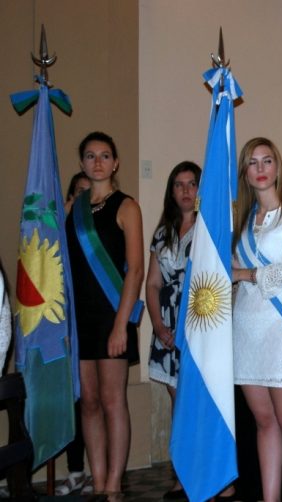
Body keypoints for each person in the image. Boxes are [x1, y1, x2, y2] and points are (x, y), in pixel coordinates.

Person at [231, 137, 282, 502]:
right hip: (246, 328)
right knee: (263, 421)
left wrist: (243, 274)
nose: (261, 169)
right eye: (253, 163)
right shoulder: (242, 218)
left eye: (267, 161)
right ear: (245, 173)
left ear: (278, 167)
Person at [65, 131, 144, 500]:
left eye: (105, 155)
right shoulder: (72, 210)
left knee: (113, 402)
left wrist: (121, 325)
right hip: (80, 319)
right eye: (90, 156)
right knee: (90, 402)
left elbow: (136, 271)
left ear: (116, 163)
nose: (97, 162)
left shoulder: (127, 207)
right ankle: (97, 483)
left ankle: (113, 485)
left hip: (113, 317)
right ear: (82, 163)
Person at [144, 161, 201, 500]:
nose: (185, 190)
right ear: (171, 191)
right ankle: (182, 475)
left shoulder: (209, 228)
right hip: (165, 323)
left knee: (193, 405)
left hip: (197, 324)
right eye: (179, 185)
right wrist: (158, 324)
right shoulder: (162, 232)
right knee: (177, 405)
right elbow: (152, 283)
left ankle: (197, 475)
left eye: (192, 184)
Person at [55, 171, 93, 497]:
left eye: (88, 192)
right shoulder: (63, 224)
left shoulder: (100, 228)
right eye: (78, 192)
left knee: (96, 400)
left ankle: (98, 472)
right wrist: (63, 216)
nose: (83, 198)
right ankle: (76, 469)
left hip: (96, 321)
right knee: (73, 400)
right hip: (66, 322)